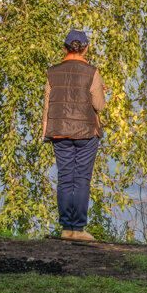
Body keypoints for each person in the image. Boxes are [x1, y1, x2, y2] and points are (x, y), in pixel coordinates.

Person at [42, 28, 106, 241]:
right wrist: (102, 91)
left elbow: (47, 105)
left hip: (59, 131)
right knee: (81, 179)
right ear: (86, 48)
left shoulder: (52, 71)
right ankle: (78, 229)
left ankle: (66, 228)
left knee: (65, 178)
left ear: (64, 48)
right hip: (86, 133)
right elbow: (99, 105)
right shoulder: (92, 72)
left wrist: (45, 131)